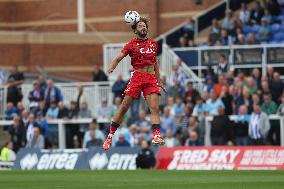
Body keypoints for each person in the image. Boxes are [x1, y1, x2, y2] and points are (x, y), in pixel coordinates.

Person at [102, 17, 166, 150]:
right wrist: (112, 67)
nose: (143, 27)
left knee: (154, 108)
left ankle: (156, 135)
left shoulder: (153, 43)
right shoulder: (131, 44)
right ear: (135, 30)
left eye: (144, 25)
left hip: (150, 78)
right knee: (124, 107)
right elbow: (119, 57)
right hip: (137, 77)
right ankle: (110, 136)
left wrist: (159, 80)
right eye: (140, 26)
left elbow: (155, 63)